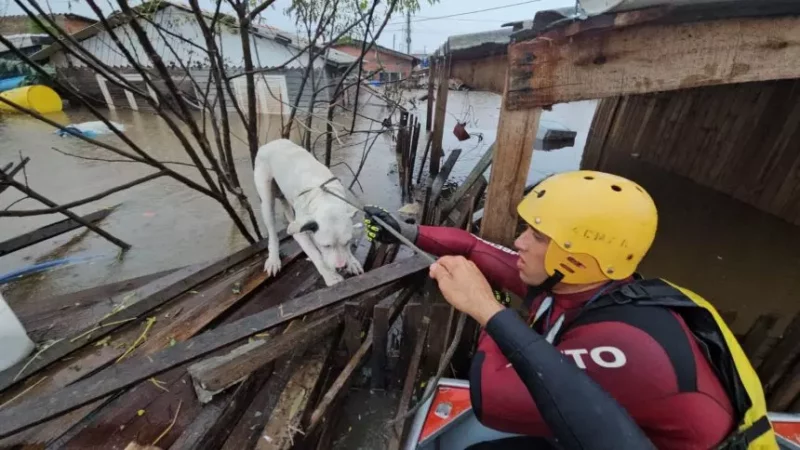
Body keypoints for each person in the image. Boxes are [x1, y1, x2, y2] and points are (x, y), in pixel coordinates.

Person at [364, 170, 777, 450]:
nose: (520, 242)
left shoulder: (626, 345)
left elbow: (490, 399)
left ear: (577, 257)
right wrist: (407, 231)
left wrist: (485, 308)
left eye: (537, 236)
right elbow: (474, 247)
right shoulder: (584, 285)